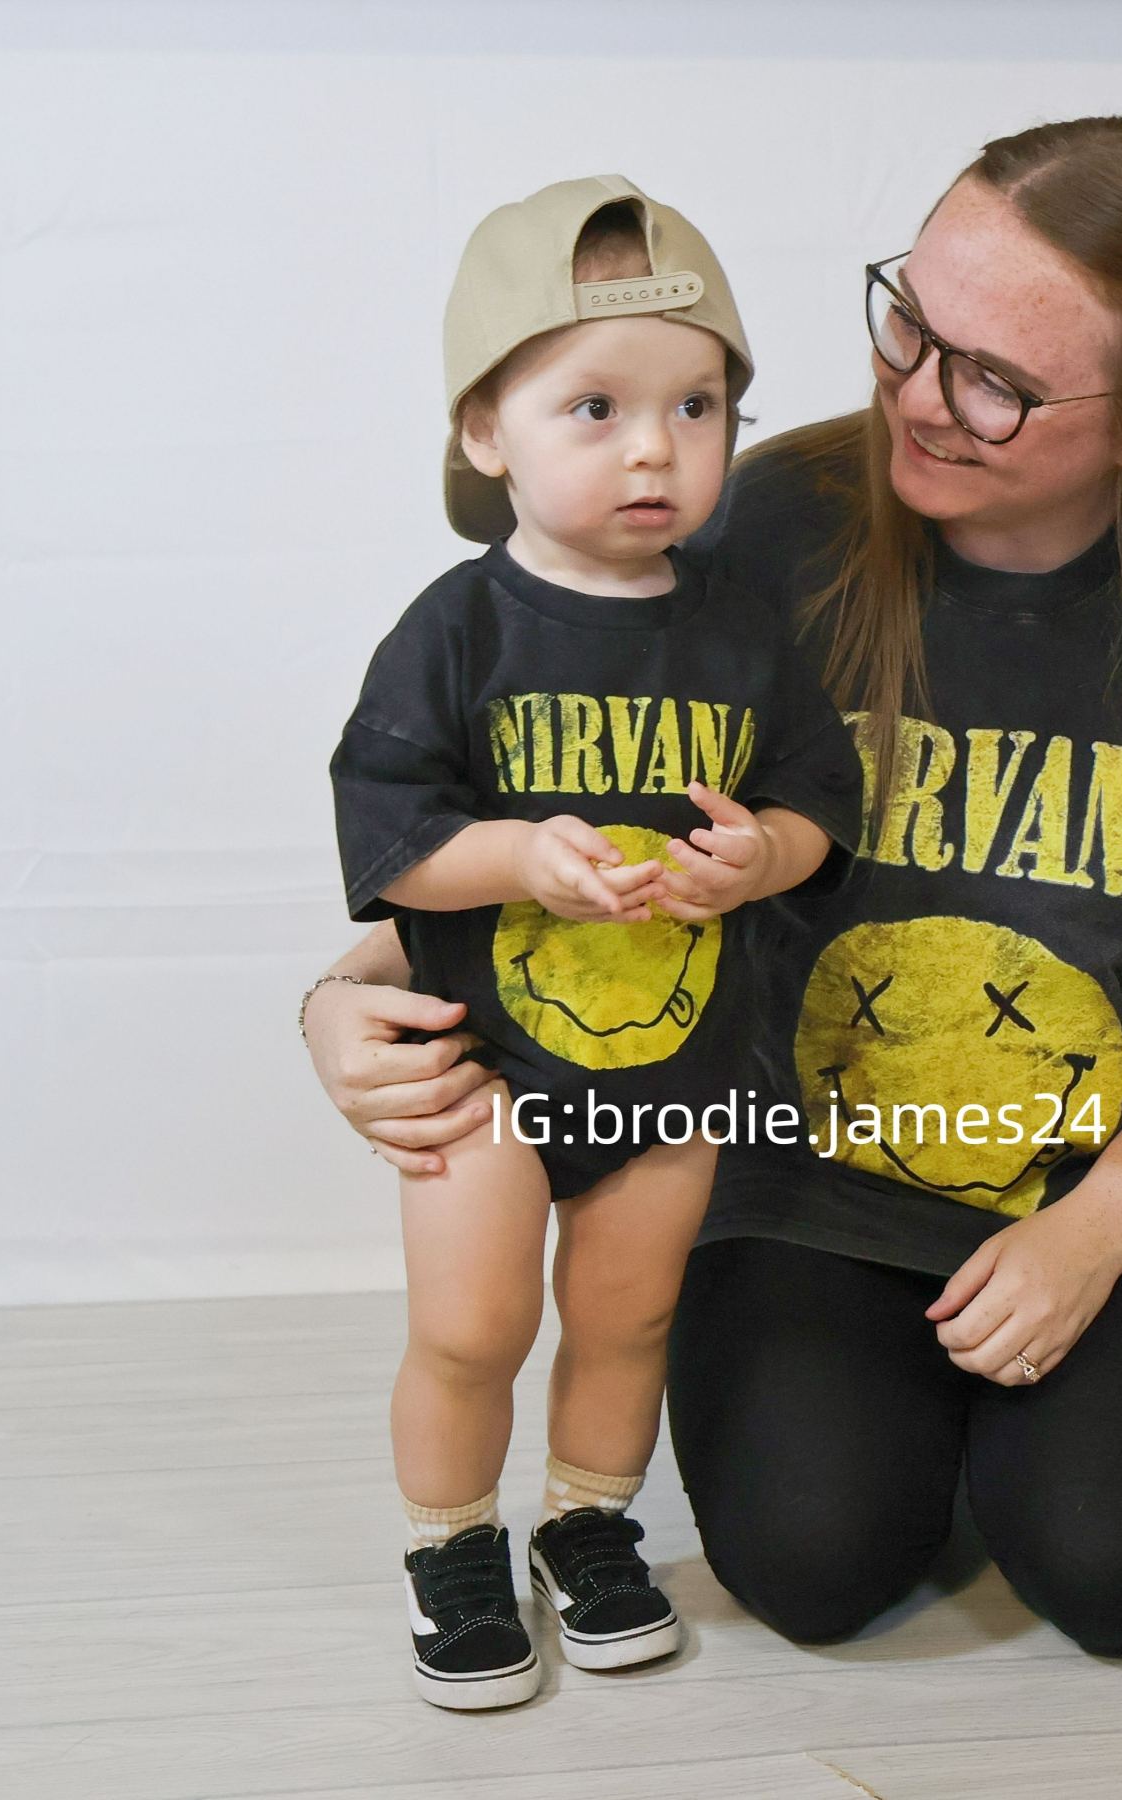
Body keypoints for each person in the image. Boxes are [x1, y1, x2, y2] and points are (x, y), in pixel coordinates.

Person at [303, 117, 1122, 1661]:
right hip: (803, 1161)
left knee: (1117, 1572)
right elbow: (570, 831)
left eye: (996, 381)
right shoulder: (760, 523)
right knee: (812, 1566)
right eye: (911, 323)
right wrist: (347, 995)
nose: (918, 398)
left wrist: (1095, 1235)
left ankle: (1041, 1413)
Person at [318, 173, 864, 1709]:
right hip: (488, 1062)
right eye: (596, 406)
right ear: (485, 432)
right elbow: (389, 835)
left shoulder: (746, 630)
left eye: (699, 407)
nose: (655, 447)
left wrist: (761, 860)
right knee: (476, 1322)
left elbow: (818, 797)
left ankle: (591, 1526)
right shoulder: (459, 630)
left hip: (676, 1059)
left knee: (627, 1316)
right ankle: (449, 1546)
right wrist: (513, 855)